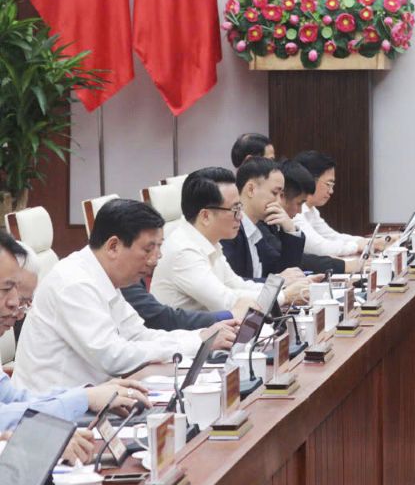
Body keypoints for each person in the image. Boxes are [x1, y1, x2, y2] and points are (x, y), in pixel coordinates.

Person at [13, 200, 233, 394]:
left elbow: (139, 336)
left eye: (159, 248)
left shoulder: (103, 277)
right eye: (148, 249)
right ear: (113, 246)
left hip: (90, 400)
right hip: (53, 412)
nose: (156, 259)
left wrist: (201, 337)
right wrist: (196, 342)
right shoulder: (74, 283)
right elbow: (114, 357)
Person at [0, 233, 148, 463]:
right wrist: (84, 398)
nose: (13, 303)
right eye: (5, 289)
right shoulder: (72, 282)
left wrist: (88, 395)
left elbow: (13, 399)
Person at [154, 167, 308, 313]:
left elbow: (237, 285)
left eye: (240, 208)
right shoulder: (184, 251)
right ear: (205, 216)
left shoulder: (208, 241)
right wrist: (285, 296)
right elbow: (227, 302)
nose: (240, 216)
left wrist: (289, 287)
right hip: (189, 337)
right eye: (235, 210)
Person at [222, 157, 306, 282]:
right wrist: (276, 281)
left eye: (281, 195)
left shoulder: (255, 229)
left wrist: (290, 230)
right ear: (251, 189)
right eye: (274, 193)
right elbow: (233, 284)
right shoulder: (228, 230)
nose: (278, 202)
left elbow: (284, 271)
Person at [292, 150, 377, 258]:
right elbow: (320, 248)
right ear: (309, 179)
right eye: (328, 184)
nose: (331, 191)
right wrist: (356, 246)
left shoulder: (311, 210)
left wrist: (365, 242)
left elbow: (332, 237)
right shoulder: (294, 210)